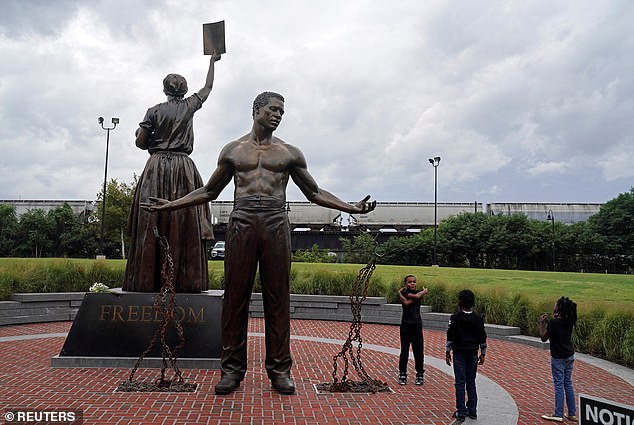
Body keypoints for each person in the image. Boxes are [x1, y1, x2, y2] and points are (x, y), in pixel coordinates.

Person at [142, 91, 376, 395]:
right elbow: (209, 192)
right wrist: (171, 205)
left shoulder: (290, 153)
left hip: (276, 223)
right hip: (242, 222)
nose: (278, 115)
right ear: (256, 111)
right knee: (235, 298)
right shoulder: (233, 151)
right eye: (273, 109)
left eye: (282, 111)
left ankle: (279, 370)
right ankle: (231, 370)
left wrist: (351, 208)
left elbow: (314, 192)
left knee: (278, 299)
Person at [123, 53, 221, 293]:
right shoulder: (189, 105)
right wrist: (212, 62)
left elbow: (140, 143)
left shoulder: (153, 111)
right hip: (183, 169)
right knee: (184, 221)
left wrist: (141, 132)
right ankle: (186, 280)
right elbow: (208, 87)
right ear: (185, 90)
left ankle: (146, 281)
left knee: (151, 220)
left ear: (164, 90)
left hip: (155, 168)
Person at [445, 289, 487, 423]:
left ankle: (461, 411)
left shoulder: (455, 318)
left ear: (460, 302)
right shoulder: (478, 318)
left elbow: (450, 335)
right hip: (473, 352)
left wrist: (447, 351)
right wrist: (483, 353)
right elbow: (482, 336)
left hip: (459, 353)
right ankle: (472, 410)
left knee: (459, 382)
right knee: (471, 381)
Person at [538, 297, 578, 423]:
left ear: (559, 308)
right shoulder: (569, 320)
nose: (553, 306)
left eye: (555, 305)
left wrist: (541, 323)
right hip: (569, 356)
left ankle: (558, 413)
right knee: (568, 383)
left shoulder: (554, 324)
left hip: (558, 358)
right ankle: (572, 413)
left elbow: (543, 338)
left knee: (559, 384)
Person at [397, 274, 428, 386]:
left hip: (417, 325)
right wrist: (424, 292)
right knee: (404, 350)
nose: (412, 284)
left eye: (414, 282)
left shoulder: (413, 293)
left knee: (418, 351)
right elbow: (407, 302)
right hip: (406, 325)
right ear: (405, 284)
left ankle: (420, 373)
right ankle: (402, 373)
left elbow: (412, 299)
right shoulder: (405, 292)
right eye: (410, 282)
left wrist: (420, 293)